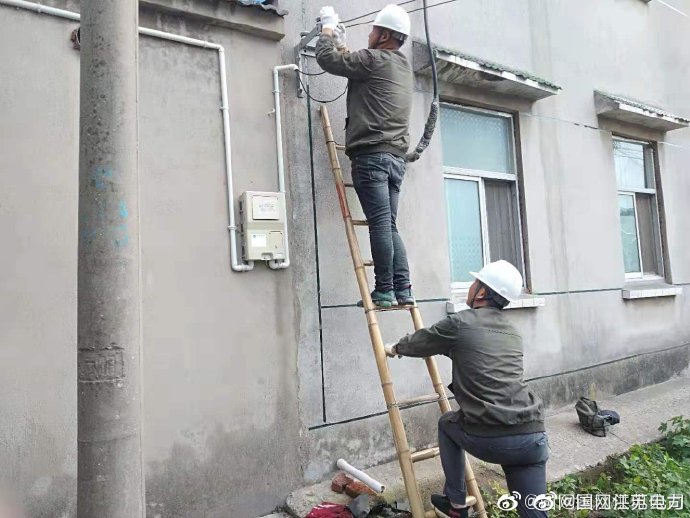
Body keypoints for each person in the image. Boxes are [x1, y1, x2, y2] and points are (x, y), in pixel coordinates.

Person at [386, 260, 550, 518]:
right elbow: (477, 355)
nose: (471, 286)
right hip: (533, 436)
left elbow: (423, 341)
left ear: (481, 292)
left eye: (475, 283)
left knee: (447, 424)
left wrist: (396, 348)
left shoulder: (461, 323)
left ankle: (456, 503)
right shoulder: (512, 332)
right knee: (534, 513)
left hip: (493, 435)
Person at [315, 5, 415, 308]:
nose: (369, 34)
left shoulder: (373, 59)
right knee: (389, 224)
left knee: (380, 224)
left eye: (373, 30)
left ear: (384, 36)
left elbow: (327, 59)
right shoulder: (402, 66)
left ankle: (384, 290)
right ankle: (403, 289)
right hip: (395, 160)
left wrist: (327, 30)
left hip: (372, 157)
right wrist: (343, 46)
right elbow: (359, 67)